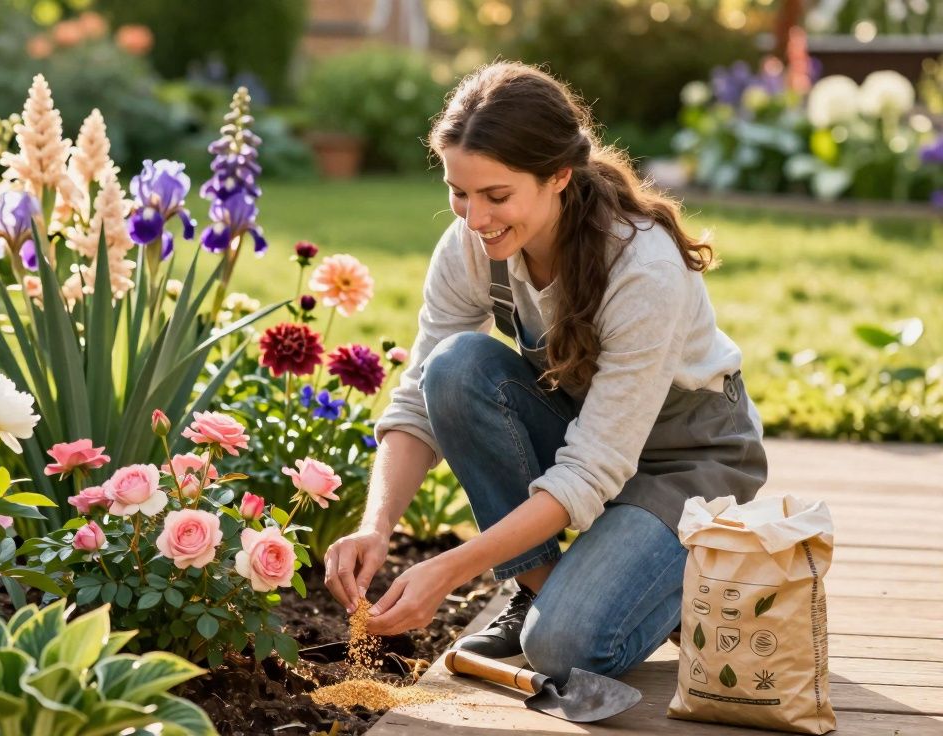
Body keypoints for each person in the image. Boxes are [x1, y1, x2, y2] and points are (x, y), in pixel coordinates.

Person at [322, 61, 767, 682]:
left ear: (558, 175)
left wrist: (450, 568)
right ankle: (545, 591)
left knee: (561, 650)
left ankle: (681, 579)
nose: (474, 219)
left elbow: (593, 469)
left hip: (685, 461)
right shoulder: (471, 244)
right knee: (454, 369)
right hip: (591, 435)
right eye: (458, 192)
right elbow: (421, 398)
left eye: (496, 196)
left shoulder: (644, 270)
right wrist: (376, 529)